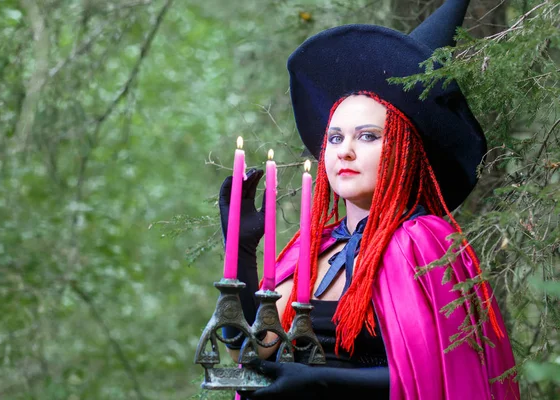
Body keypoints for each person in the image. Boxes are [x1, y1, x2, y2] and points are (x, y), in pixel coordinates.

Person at [218, 0, 520, 399]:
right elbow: (250, 351)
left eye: (367, 136)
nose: (344, 151)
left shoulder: (424, 243)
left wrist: (323, 380)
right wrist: (239, 248)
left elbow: (441, 381)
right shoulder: (312, 249)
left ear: (404, 149)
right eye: (336, 137)